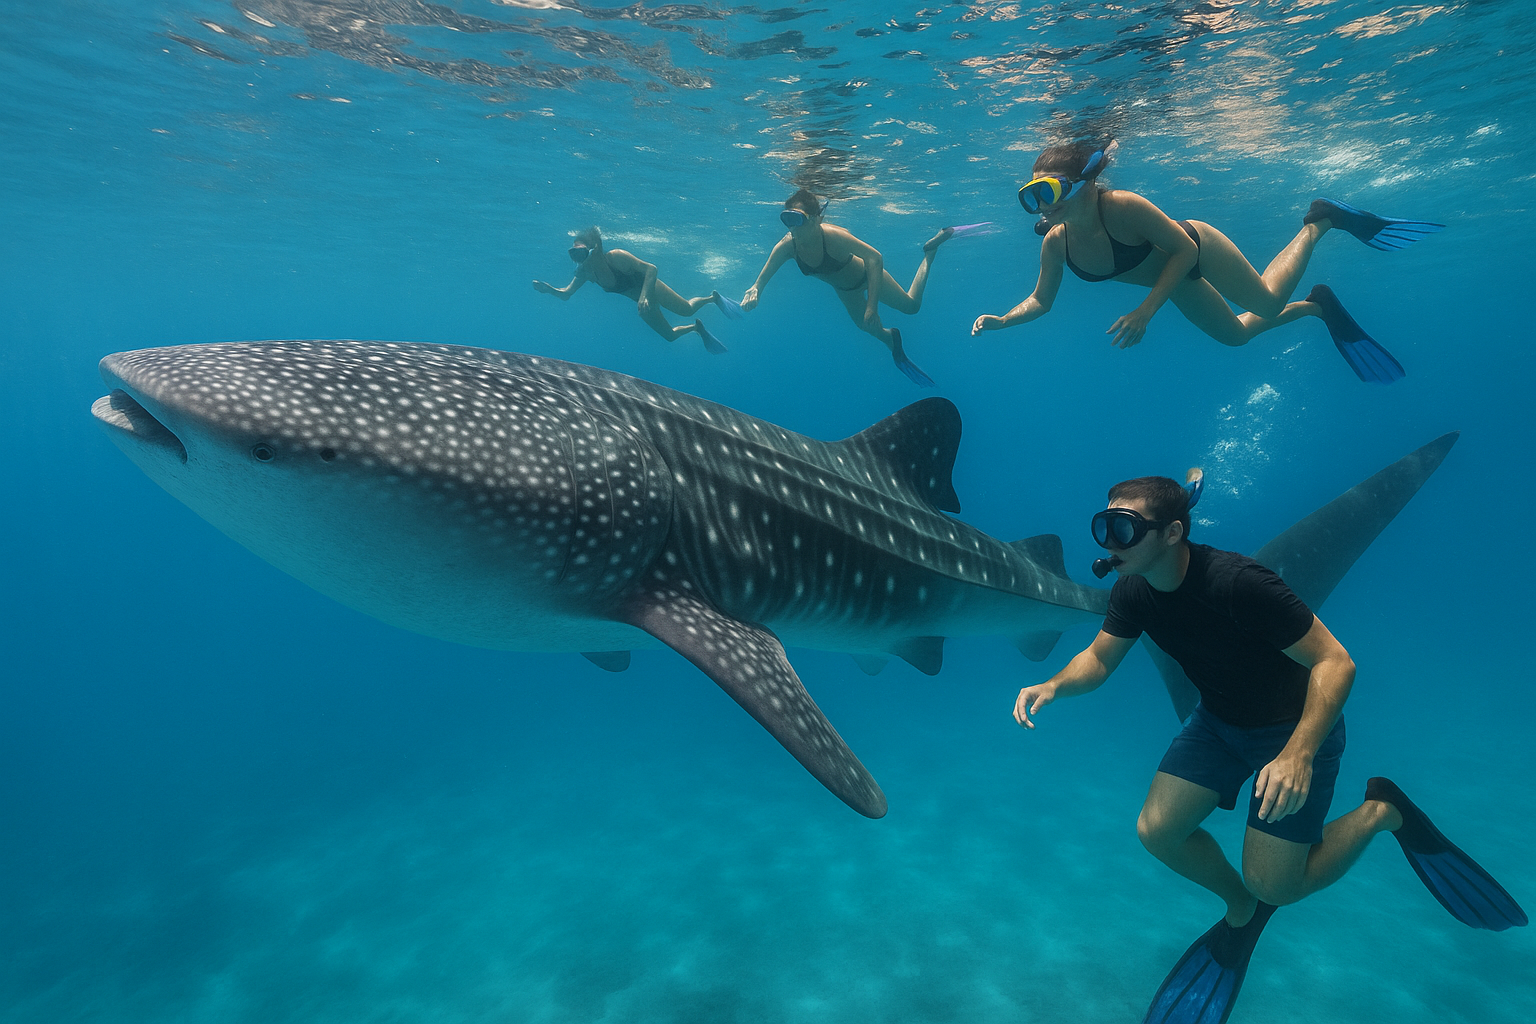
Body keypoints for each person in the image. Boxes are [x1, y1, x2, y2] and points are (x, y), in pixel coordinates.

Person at [1013, 474, 1526, 1024]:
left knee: (1278, 884)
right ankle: (1240, 909)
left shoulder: (1239, 583)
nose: (1109, 543)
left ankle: (1382, 811)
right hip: (1218, 724)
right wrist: (1053, 685)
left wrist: (1299, 753)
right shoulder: (1134, 590)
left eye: (1123, 528)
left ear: (1172, 534)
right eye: (1103, 526)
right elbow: (1097, 660)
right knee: (1157, 833)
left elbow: (1336, 663)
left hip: (1295, 728)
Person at [970, 140, 1444, 384]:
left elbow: (1184, 251)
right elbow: (1040, 300)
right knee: (1237, 337)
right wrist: (1003, 321)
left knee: (1267, 301)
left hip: (1195, 247)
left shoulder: (1123, 207)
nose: (1042, 206)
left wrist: (1145, 311)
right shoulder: (1056, 243)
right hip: (1173, 283)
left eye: (1048, 190)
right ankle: (1318, 306)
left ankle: (1319, 220)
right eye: (1031, 196)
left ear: (1084, 184)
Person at [740, 189, 966, 387]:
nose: (792, 227)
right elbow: (765, 274)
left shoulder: (834, 237)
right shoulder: (788, 246)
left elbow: (875, 258)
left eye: (797, 219)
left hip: (868, 277)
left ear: (817, 219)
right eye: (786, 219)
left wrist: (872, 306)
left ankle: (929, 253)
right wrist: (756, 288)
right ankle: (891, 339)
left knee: (912, 307)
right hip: (845, 291)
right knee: (866, 328)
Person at [533, 226, 739, 354]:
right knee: (669, 336)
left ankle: (712, 298)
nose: (578, 261)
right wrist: (549, 289)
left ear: (596, 249)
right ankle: (696, 329)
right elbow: (567, 294)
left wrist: (645, 297)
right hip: (642, 304)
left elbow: (651, 269)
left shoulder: (617, 257)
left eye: (580, 254)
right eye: (573, 255)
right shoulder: (586, 273)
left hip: (650, 291)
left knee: (686, 309)